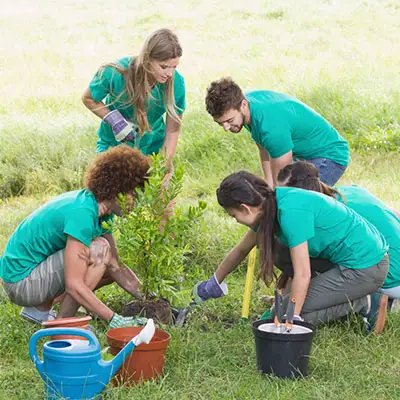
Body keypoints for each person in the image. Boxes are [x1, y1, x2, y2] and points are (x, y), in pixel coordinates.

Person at [193, 171, 389, 333]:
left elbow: (303, 273)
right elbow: (241, 249)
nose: (235, 220)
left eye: (233, 215)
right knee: (270, 247)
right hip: (340, 259)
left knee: (281, 317)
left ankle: (362, 302)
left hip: (366, 266)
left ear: (244, 208)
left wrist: (292, 315)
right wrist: (214, 282)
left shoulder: (291, 213)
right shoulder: (269, 206)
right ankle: (338, 295)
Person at [0, 146, 149, 327]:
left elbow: (115, 267)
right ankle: (63, 324)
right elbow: (73, 284)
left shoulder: (100, 210)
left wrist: (150, 299)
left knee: (107, 263)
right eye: (133, 194)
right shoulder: (82, 213)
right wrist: (115, 319)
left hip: (32, 273)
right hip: (21, 282)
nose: (136, 202)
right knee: (99, 249)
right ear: (118, 188)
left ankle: (40, 310)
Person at [277, 160, 400, 303]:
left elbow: (301, 264)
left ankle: (368, 301)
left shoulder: (323, 219)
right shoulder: (348, 192)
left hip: (389, 277)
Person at [205, 78, 349, 188]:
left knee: (296, 202)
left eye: (229, 120)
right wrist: (269, 183)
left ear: (243, 105)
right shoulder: (247, 108)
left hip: (329, 156)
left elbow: (282, 183)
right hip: (303, 155)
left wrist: (275, 191)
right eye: (220, 123)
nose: (225, 127)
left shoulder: (270, 127)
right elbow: (263, 148)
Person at [82, 28, 186, 172]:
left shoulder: (176, 84)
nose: (169, 73)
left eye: (174, 67)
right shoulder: (115, 73)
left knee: (160, 192)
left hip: (153, 147)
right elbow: (89, 98)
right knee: (112, 191)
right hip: (114, 147)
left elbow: (173, 132)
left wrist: (161, 164)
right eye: (163, 67)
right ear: (148, 59)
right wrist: (113, 119)